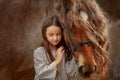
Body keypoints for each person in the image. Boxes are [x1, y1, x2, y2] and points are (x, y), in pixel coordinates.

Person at [33, 15, 79, 80]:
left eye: (58, 34)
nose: (55, 38)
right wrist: (57, 61)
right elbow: (41, 74)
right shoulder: (39, 52)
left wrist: (74, 57)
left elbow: (72, 74)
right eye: (51, 35)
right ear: (45, 34)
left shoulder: (63, 50)